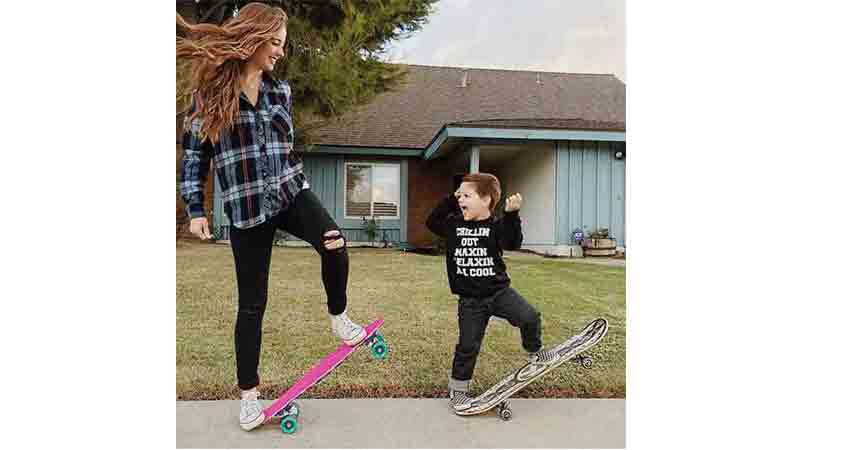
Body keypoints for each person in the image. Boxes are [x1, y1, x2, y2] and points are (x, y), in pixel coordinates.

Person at [177, 3, 366, 431]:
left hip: (289, 192)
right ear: (255, 40)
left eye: (283, 44)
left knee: (334, 240)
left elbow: (284, 146)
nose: (281, 52)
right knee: (252, 306)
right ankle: (249, 398)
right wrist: (195, 209)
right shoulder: (209, 96)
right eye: (276, 43)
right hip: (245, 208)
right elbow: (194, 158)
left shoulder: (281, 91)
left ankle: (338, 316)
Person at [425, 173, 558, 412]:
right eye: (459, 195)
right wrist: (451, 197)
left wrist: (512, 214)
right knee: (468, 345)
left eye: (467, 195)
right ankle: (458, 390)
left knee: (530, 317)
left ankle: (535, 351)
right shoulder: (454, 224)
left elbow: (511, 242)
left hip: (499, 292)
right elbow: (431, 222)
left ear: (486, 200)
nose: (460, 199)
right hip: (470, 301)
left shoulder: (496, 225)